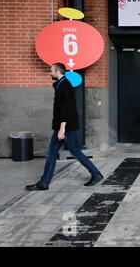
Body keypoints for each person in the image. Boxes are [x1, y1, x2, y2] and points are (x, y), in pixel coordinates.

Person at [26, 63, 103, 191]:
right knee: (53, 153)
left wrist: (62, 128)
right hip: (62, 127)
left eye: (51, 70)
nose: (49, 73)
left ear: (57, 71)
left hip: (66, 127)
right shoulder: (61, 84)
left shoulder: (65, 85)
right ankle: (44, 183)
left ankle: (96, 174)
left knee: (75, 152)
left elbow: (66, 109)